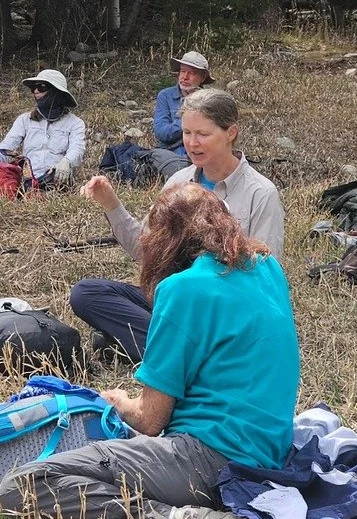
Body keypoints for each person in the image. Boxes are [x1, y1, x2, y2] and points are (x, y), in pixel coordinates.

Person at [0, 185, 300, 519]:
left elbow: (150, 420)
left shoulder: (183, 289)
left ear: (165, 240)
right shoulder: (266, 267)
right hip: (271, 453)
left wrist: (119, 401)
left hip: (210, 459)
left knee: (20, 486)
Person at [69, 87, 285, 362]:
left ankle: (165, 352)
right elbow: (145, 249)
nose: (192, 143)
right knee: (87, 293)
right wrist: (111, 204)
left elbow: (266, 277)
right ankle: (179, 354)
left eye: (203, 134)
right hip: (172, 301)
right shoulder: (179, 182)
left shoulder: (260, 193)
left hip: (222, 313)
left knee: (182, 313)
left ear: (230, 133)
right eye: (186, 133)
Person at [0, 68, 85, 189]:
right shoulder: (24, 120)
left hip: (58, 182)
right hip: (28, 183)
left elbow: (77, 149)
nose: (36, 91)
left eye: (42, 87)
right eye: (33, 88)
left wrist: (67, 162)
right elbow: (7, 146)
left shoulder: (75, 123)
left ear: (56, 91)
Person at [152, 50, 212, 154]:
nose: (185, 77)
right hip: (170, 152)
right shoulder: (165, 95)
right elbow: (161, 132)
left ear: (202, 78)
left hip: (201, 152)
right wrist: (187, 120)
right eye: (183, 71)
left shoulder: (210, 99)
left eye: (191, 73)